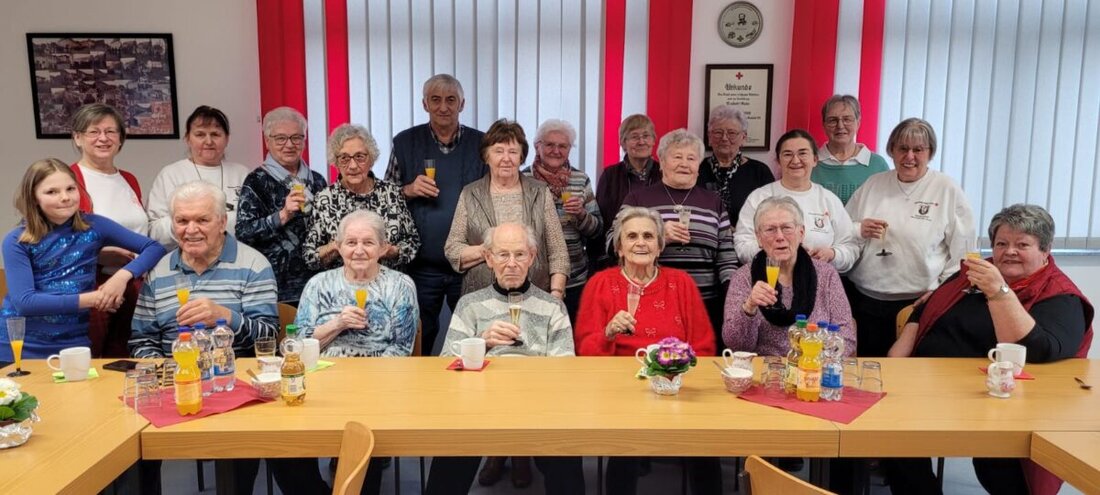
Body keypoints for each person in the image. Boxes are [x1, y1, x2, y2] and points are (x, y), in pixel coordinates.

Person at [129, 181, 325, 493]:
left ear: (222, 222)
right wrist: (166, 371)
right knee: (131, 451)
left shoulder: (252, 264)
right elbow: (142, 340)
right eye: (182, 221)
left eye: (202, 220)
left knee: (286, 449)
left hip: (239, 386)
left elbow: (267, 334)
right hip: (177, 385)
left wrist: (225, 315)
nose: (190, 230)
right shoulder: (159, 271)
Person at [886, 204, 1093, 495]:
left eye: (1022, 244)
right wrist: (897, 361)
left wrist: (999, 293)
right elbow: (927, 309)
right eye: (1001, 243)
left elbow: (1041, 350)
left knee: (998, 462)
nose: (1009, 251)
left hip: (1000, 402)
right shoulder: (975, 273)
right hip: (929, 388)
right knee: (893, 440)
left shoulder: (1059, 295)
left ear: (1045, 251)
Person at [427, 222, 584, 495]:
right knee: (451, 451)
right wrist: (481, 343)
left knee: (565, 453)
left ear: (532, 257)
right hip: (478, 407)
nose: (511, 263)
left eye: (520, 254)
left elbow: (565, 370)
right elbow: (446, 365)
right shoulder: (469, 304)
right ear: (488, 258)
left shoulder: (552, 307)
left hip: (539, 408)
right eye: (502, 255)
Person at [574, 206, 719, 495]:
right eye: (632, 236)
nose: (641, 242)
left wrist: (679, 377)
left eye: (649, 236)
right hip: (619, 391)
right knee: (625, 443)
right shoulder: (600, 284)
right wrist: (608, 333)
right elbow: (584, 353)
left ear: (660, 245)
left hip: (676, 384)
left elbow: (704, 347)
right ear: (619, 247)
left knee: (706, 444)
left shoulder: (681, 284)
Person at [295, 210, 418, 495]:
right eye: (350, 242)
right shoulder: (318, 285)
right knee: (286, 448)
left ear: (384, 248)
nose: (359, 250)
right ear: (338, 246)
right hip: (321, 384)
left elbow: (401, 349)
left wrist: (364, 383)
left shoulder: (399, 286)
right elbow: (298, 349)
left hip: (378, 388)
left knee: (364, 434)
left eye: (368, 242)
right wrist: (337, 324)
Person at [0, 159, 163, 361]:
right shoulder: (16, 240)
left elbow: (154, 247)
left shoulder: (94, 226)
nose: (65, 197)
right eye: (52, 192)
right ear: (34, 198)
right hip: (19, 348)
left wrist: (121, 277)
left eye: (70, 189)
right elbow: (26, 302)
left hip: (73, 345)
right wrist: (94, 299)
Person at [845, 118, 977, 356]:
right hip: (866, 300)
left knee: (910, 377)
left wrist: (939, 291)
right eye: (903, 149)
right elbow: (845, 231)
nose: (909, 157)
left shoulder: (946, 189)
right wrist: (859, 229)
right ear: (891, 151)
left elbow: (964, 252)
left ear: (930, 152)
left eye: (918, 150)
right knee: (869, 371)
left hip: (920, 303)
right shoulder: (873, 184)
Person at [385, 74, 487, 354]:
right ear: (424, 104)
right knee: (418, 338)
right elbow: (385, 197)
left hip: (469, 263)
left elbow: (494, 196)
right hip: (420, 265)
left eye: (450, 100)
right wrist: (408, 189)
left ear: (462, 104)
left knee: (473, 338)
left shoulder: (482, 144)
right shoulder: (405, 142)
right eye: (436, 100)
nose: (443, 106)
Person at [620, 128, 737, 351]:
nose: (684, 163)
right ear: (661, 161)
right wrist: (659, 235)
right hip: (649, 301)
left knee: (698, 367)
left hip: (704, 304)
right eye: (677, 157)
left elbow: (727, 256)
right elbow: (613, 243)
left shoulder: (714, 202)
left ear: (698, 165)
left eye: (691, 158)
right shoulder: (638, 198)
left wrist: (731, 296)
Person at [444, 119, 569, 297]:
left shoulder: (540, 193)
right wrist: (489, 251)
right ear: (486, 156)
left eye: (513, 152)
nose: (506, 158)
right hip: (482, 299)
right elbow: (452, 249)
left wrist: (556, 293)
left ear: (521, 157)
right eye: (498, 151)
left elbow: (558, 252)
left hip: (535, 296)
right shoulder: (470, 194)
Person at [68, 103, 151, 357]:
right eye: (94, 131)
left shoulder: (129, 179)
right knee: (93, 360)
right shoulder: (68, 179)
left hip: (133, 284)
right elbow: (55, 242)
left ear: (120, 139)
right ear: (77, 138)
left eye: (111, 132)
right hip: (92, 289)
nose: (103, 138)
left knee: (126, 360)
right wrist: (98, 255)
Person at [724, 196, 855, 356]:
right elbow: (737, 346)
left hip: (812, 368)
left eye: (787, 228)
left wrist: (814, 361)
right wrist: (749, 306)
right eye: (770, 229)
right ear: (759, 238)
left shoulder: (826, 274)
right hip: (765, 371)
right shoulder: (743, 277)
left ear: (801, 233)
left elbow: (846, 337)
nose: (779, 236)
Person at [236, 106, 327, 304]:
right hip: (275, 286)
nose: (289, 144)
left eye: (296, 138)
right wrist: (283, 215)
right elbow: (243, 233)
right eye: (280, 138)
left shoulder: (317, 180)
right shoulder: (256, 181)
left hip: (317, 284)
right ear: (267, 141)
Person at [734, 129, 859, 273]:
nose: (795, 160)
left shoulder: (828, 199)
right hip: (769, 284)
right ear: (778, 161)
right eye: (787, 154)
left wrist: (832, 254)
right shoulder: (759, 197)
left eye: (803, 153)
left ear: (815, 159)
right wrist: (772, 253)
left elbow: (850, 248)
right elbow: (742, 245)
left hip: (819, 284)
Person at [303, 123, 419, 272]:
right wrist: (335, 247)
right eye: (344, 158)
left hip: (388, 287)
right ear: (335, 162)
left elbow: (413, 243)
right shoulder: (325, 199)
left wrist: (392, 251)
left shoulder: (392, 193)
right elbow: (310, 257)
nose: (352, 165)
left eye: (360, 157)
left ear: (371, 159)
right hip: (342, 288)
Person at [521, 118, 602, 322]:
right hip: (532, 277)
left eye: (562, 146)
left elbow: (597, 230)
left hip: (574, 278)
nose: (556, 151)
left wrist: (581, 215)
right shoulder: (522, 180)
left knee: (571, 339)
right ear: (537, 146)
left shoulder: (580, 179)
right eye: (549, 144)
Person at [147, 105, 251, 249]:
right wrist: (187, 223)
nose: (208, 141)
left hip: (235, 257)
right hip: (184, 259)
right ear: (188, 139)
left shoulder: (242, 174)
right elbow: (154, 230)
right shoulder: (170, 174)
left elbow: (254, 225)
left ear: (227, 139)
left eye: (215, 134)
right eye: (200, 134)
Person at [698, 105, 775, 221]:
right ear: (709, 137)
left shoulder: (759, 172)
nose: (724, 138)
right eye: (718, 132)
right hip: (705, 236)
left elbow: (772, 212)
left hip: (747, 236)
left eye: (732, 133)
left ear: (743, 138)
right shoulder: (697, 168)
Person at [811, 95, 890, 204]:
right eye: (832, 120)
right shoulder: (810, 164)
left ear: (858, 123)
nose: (840, 125)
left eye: (847, 119)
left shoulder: (877, 165)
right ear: (824, 125)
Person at [594, 114, 661, 233]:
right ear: (623, 143)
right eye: (634, 137)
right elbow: (601, 219)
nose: (641, 142)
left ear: (653, 140)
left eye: (646, 136)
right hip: (617, 244)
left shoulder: (664, 173)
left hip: (657, 243)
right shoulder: (610, 175)